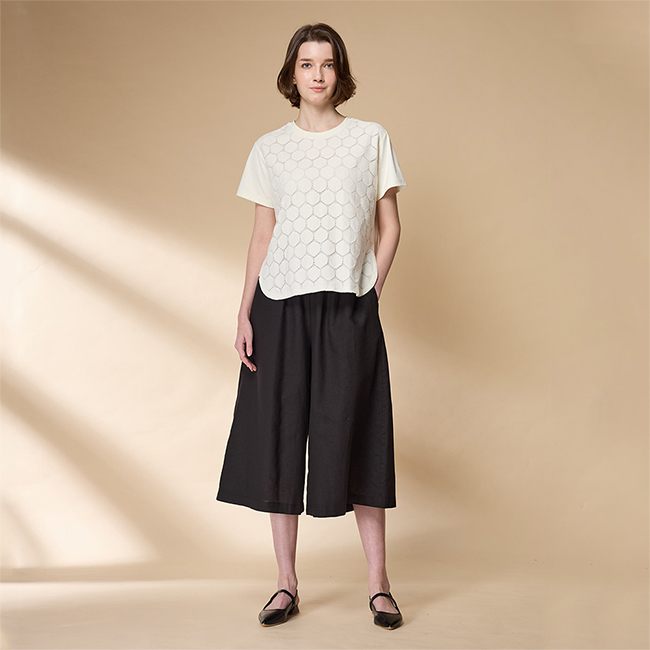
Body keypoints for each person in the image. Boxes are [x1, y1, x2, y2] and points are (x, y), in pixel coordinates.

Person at [216, 22, 407, 630]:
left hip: (348, 305)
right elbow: (262, 235)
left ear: (339, 72)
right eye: (306, 64)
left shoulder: (369, 139)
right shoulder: (269, 148)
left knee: (362, 430)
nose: (317, 74)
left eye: (327, 64)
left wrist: (370, 289)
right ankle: (286, 584)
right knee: (280, 434)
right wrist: (244, 310)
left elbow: (390, 226)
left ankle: (378, 584)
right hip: (279, 305)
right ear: (291, 74)